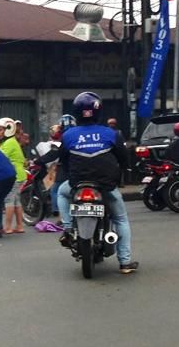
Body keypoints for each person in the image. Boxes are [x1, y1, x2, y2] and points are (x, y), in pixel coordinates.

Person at [56, 92, 139, 274]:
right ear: (98, 111)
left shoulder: (68, 135)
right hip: (106, 185)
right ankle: (125, 263)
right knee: (120, 219)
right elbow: (123, 159)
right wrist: (124, 172)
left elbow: (63, 159)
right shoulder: (111, 133)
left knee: (62, 193)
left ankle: (68, 228)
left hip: (77, 183)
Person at [35, 114, 76, 225]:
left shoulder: (63, 138)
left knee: (57, 191)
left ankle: (62, 218)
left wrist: (37, 161)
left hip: (66, 170)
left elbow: (52, 154)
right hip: (83, 170)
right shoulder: (79, 135)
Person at [0, 118, 28, 234]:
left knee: (9, 200)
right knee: (16, 201)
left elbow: (0, 158)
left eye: (0, 130)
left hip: (14, 176)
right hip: (19, 175)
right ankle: (19, 226)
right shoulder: (11, 142)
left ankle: (7, 227)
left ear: (8, 130)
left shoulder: (9, 143)